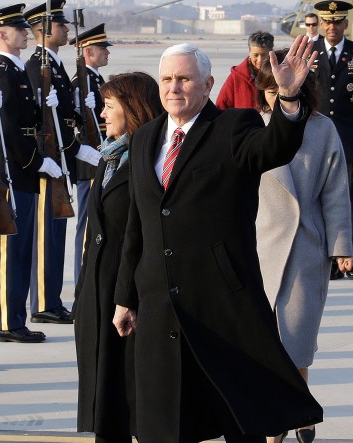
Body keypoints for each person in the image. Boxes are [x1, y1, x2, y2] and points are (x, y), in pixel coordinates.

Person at [112, 37, 323, 443]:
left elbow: (273, 147)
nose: (174, 88)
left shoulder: (232, 126)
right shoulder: (144, 140)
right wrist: (126, 296)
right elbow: (136, 226)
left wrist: (290, 100)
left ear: (208, 84)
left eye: (185, 79)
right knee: (164, 419)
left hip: (220, 303)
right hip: (158, 304)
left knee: (236, 413)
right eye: (167, 79)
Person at [255, 50, 353, 443]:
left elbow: (335, 191)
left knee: (297, 338)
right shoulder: (251, 128)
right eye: (266, 89)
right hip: (259, 245)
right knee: (265, 342)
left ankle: (298, 403)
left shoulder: (322, 129)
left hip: (305, 243)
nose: (272, 96)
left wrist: (342, 245)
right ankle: (276, 416)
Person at [74, 71, 163, 443]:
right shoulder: (111, 157)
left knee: (129, 394)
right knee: (104, 393)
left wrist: (126, 297)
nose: (103, 114)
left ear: (132, 109)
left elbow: (141, 234)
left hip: (125, 293)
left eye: (109, 106)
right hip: (97, 288)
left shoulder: (147, 159)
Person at [0, 3, 61, 343]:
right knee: (11, 248)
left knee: (23, 244)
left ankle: (14, 317)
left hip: (26, 169)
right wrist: (34, 160)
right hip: (15, 170)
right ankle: (5, 321)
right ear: (2, 34)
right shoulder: (2, 71)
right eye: (18, 29)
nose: (26, 32)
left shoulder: (16, 70)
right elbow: (10, 128)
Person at [24, 0, 100, 325]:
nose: (67, 28)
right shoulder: (36, 64)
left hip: (62, 158)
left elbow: (65, 118)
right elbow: (37, 120)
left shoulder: (55, 65)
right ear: (43, 30)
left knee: (56, 234)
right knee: (45, 236)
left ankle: (51, 299)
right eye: (60, 24)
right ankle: (42, 301)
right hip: (48, 161)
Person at [311, 0, 353, 280]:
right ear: (320, 24)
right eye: (327, 22)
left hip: (351, 138)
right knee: (320, 198)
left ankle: (349, 256)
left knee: (349, 196)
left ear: (345, 24)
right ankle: (329, 257)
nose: (332, 27)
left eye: (337, 21)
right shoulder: (310, 53)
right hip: (316, 137)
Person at [69, 23, 112, 284]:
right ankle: (80, 282)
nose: (107, 53)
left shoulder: (95, 79)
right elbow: (79, 124)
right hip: (89, 157)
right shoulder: (81, 80)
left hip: (101, 151)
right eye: (102, 49)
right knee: (86, 224)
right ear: (88, 51)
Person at [216, 30, 274, 110]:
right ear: (249, 52)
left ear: (271, 52)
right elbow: (222, 106)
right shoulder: (237, 76)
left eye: (264, 55)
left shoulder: (280, 75)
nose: (260, 60)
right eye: (255, 55)